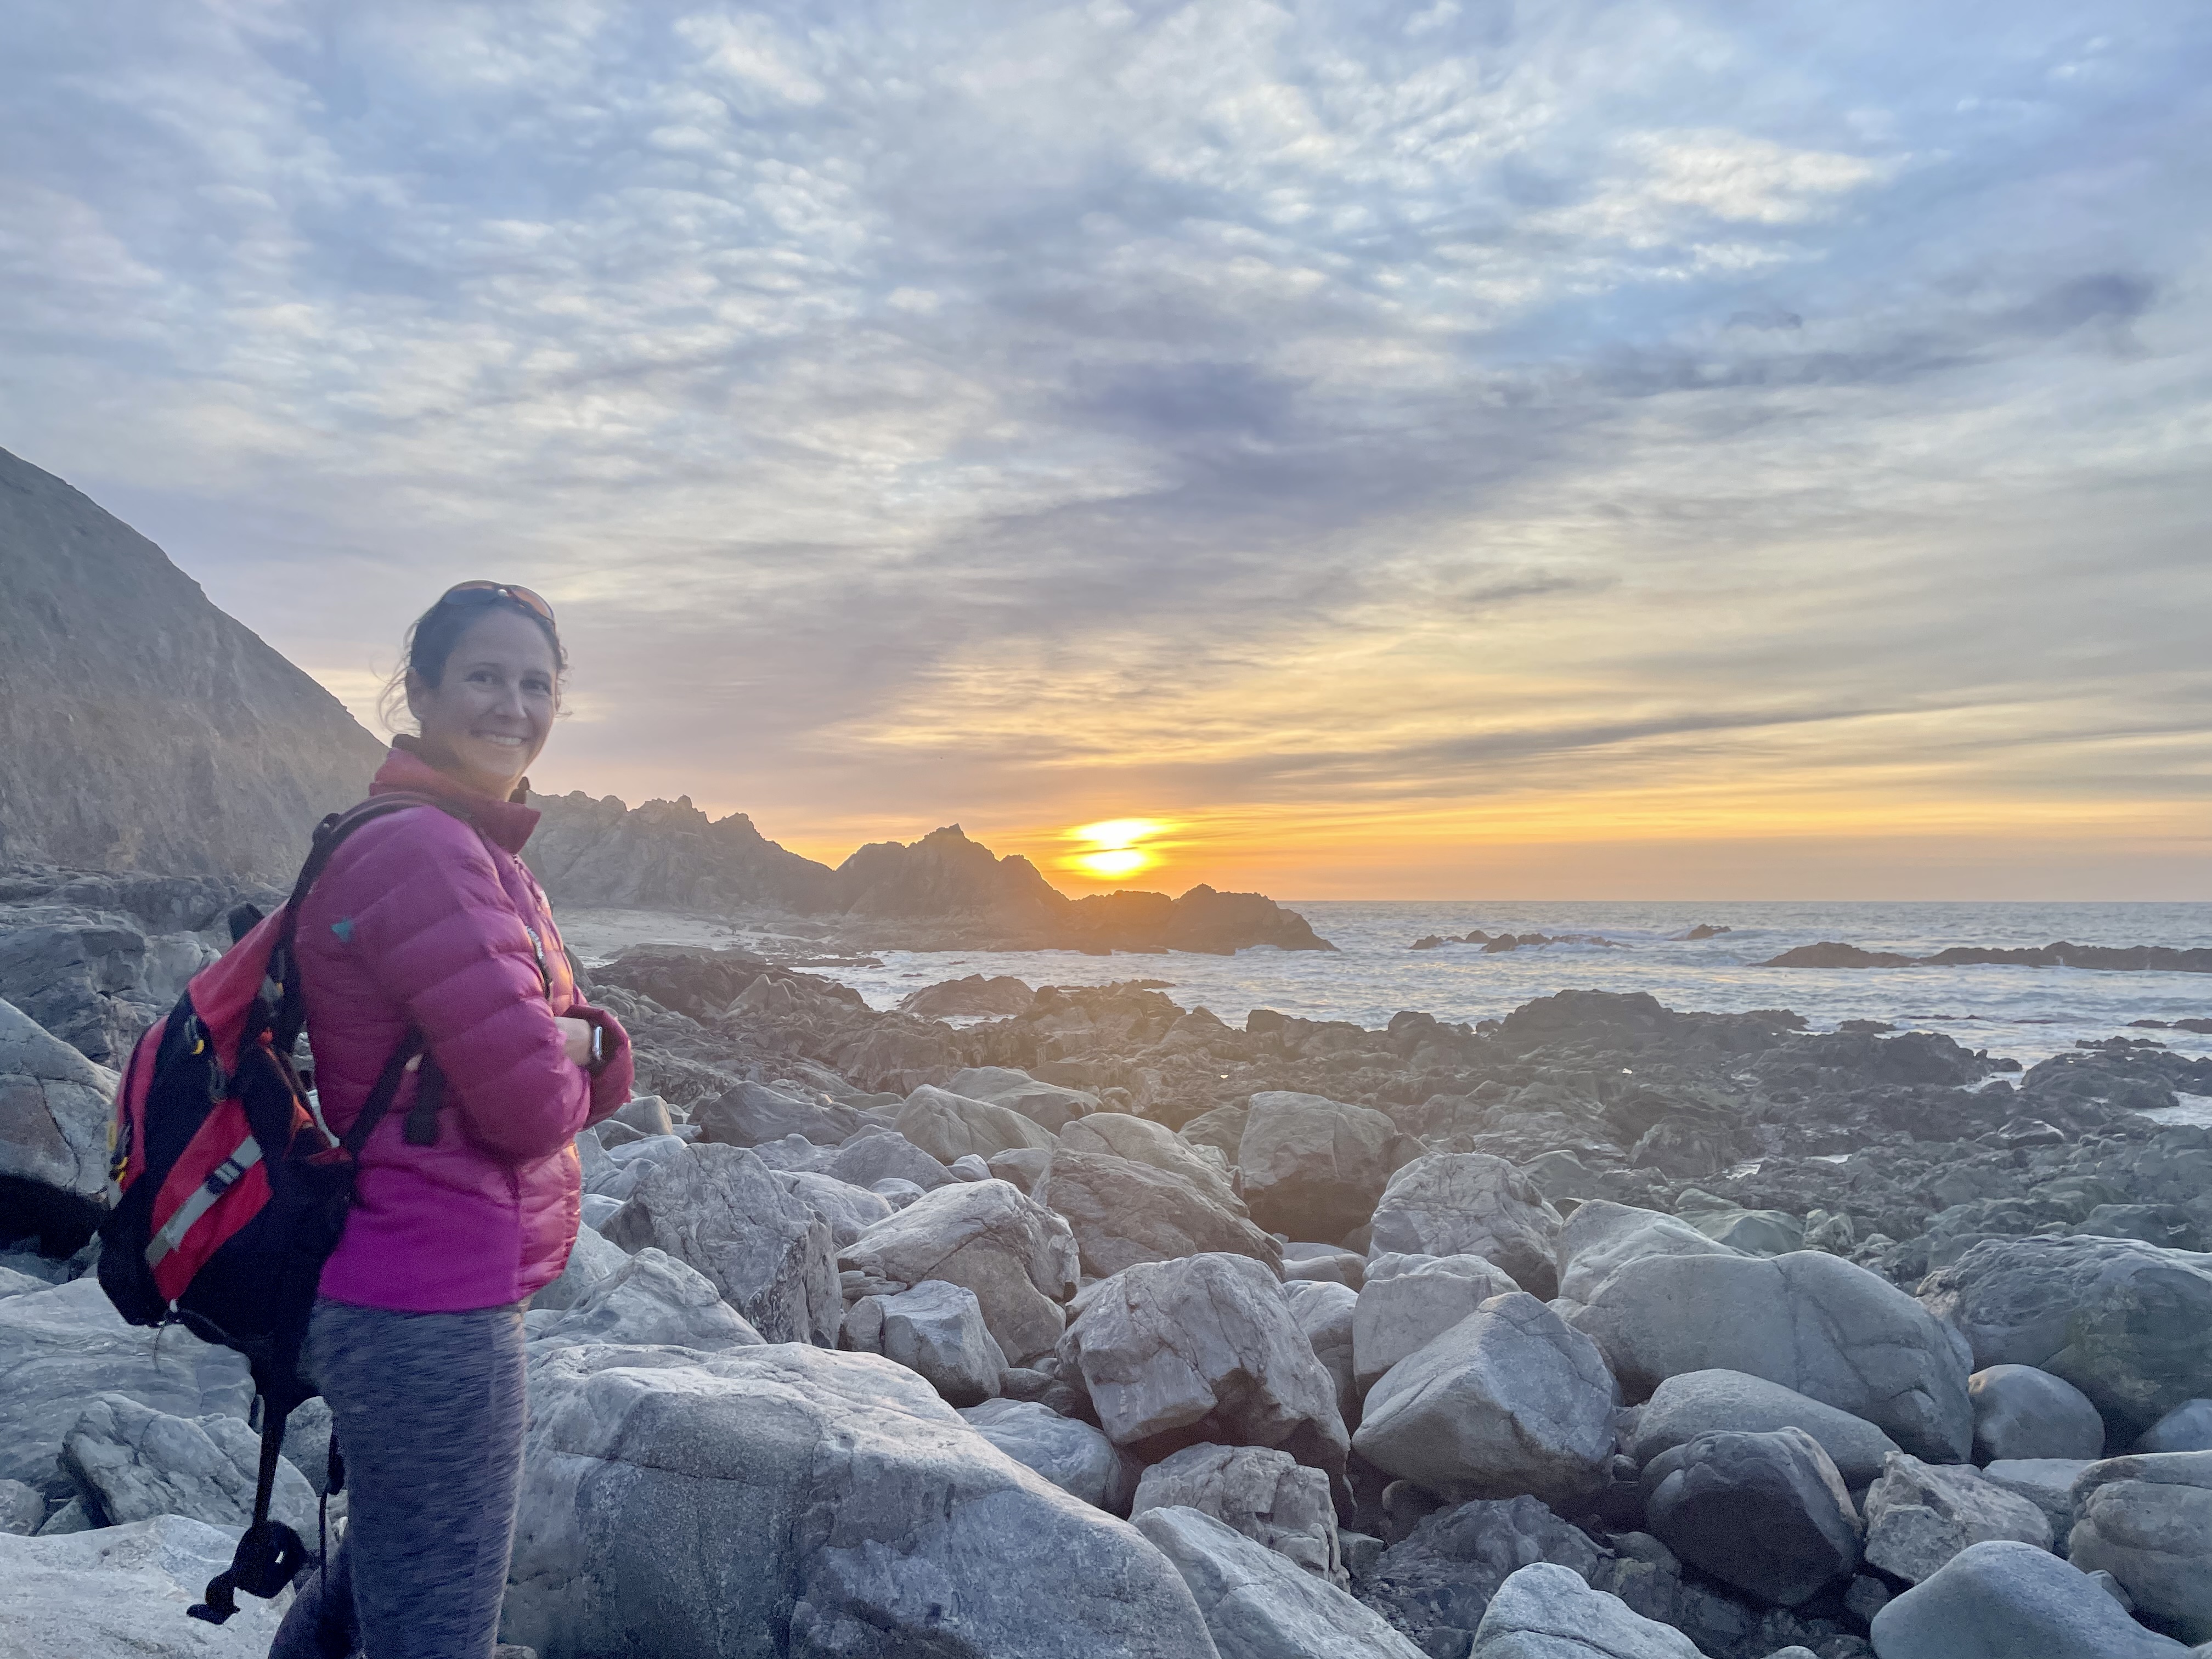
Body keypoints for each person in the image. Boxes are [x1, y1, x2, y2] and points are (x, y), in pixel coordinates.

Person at [270, 581, 633, 1659]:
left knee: (372, 1582)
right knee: (436, 1627)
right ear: (420, 691)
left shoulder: (473, 851)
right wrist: (591, 1046)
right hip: (431, 1298)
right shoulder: (426, 853)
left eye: (536, 683)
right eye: (483, 675)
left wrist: (580, 1039)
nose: (512, 704)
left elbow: (553, 1048)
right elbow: (529, 1108)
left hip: (411, 1286)